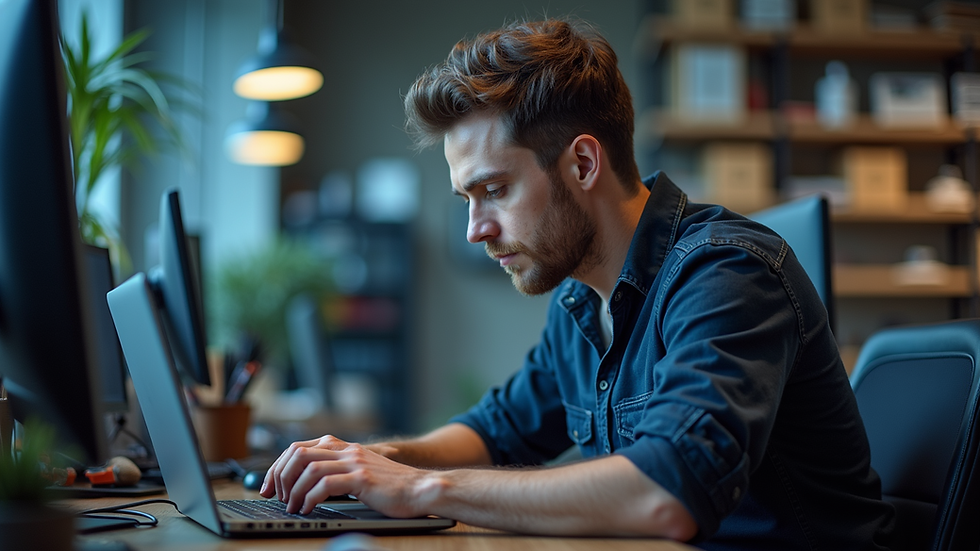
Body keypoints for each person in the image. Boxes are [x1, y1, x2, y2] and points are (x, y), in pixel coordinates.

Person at [261, 18, 894, 549]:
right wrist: (370, 463)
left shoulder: (728, 274)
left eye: (494, 190)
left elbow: (667, 493)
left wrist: (422, 489)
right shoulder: (581, 303)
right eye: (466, 199)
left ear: (583, 163)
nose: (474, 230)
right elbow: (494, 432)